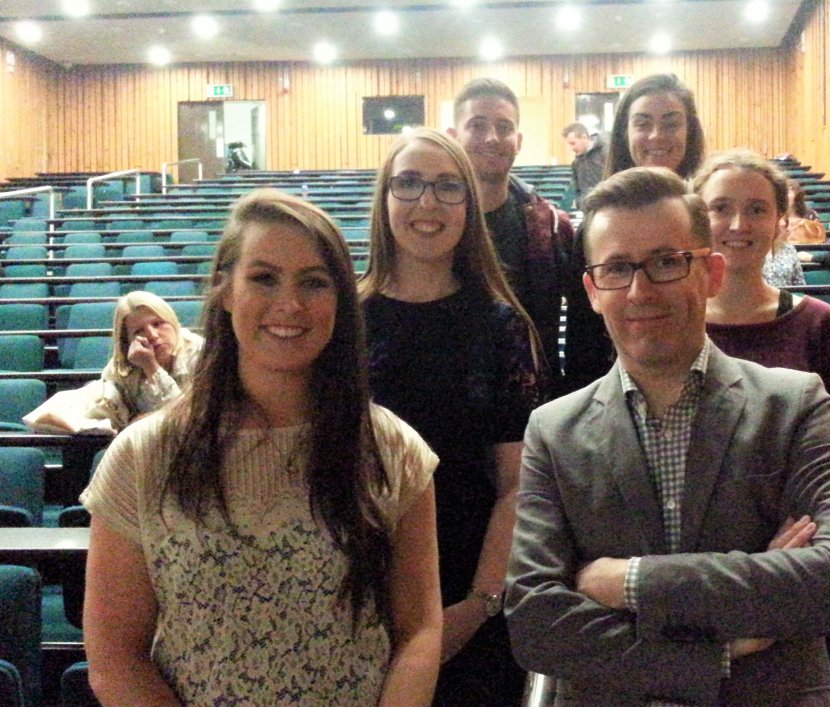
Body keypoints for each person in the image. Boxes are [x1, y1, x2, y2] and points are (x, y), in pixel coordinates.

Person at [505, 166, 830, 705]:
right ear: (592, 291)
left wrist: (629, 581)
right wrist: (720, 647)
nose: (639, 291)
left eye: (667, 262)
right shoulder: (554, 429)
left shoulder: (793, 402)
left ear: (711, 273)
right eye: (617, 268)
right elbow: (536, 623)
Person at [81, 189, 443, 705]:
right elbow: (116, 657)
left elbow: (418, 631)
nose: (290, 304)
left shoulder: (393, 451)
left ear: (340, 300)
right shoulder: (143, 457)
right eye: (264, 278)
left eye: (314, 282)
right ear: (225, 290)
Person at [360, 128, 545, 705]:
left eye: (447, 186)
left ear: (469, 204)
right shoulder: (343, 319)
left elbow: (516, 486)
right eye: (409, 183)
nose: (428, 202)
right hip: (356, 583)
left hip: (470, 583)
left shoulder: (502, 326)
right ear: (384, 199)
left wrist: (476, 607)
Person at [695, 149, 830, 565]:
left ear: (779, 222)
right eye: (720, 208)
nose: (738, 224)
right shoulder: (671, 322)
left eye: (756, 209)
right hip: (692, 555)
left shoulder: (819, 324)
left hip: (801, 554)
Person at [564, 72, 706, 392]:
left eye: (671, 123)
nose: (656, 136)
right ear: (624, 134)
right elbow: (583, 346)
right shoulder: (593, 229)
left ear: (690, 132)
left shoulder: (711, 218)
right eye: (642, 123)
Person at [447, 78, 574, 388]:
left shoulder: (552, 229)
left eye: (503, 127)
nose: (492, 138)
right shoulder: (431, 228)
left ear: (518, 141)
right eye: (477, 126)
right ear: (453, 137)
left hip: (536, 404)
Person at [84, 291, 203, 432]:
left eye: (157, 324)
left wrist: (152, 368)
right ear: (127, 341)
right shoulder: (122, 367)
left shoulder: (201, 354)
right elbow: (108, 416)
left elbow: (186, 421)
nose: (152, 335)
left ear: (172, 321)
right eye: (138, 331)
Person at [561, 121, 606, 206]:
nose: (571, 148)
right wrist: (580, 203)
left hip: (607, 208)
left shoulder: (606, 153)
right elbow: (577, 190)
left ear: (584, 137)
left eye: (573, 143)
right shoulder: (576, 163)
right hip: (587, 211)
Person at [785, 179, 826, 244]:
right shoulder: (775, 216)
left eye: (788, 192)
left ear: (797, 195)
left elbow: (818, 241)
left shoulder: (810, 215)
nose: (785, 197)